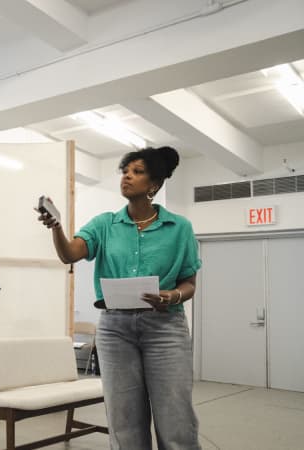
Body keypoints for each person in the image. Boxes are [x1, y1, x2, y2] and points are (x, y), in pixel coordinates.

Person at [37, 146, 202, 449]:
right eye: (126, 170)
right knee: (124, 418)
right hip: (115, 329)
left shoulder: (180, 228)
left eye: (137, 172)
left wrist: (170, 296)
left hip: (165, 327)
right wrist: (57, 228)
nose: (127, 176)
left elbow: (189, 282)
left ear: (154, 185)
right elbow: (70, 253)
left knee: (175, 417)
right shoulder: (104, 224)